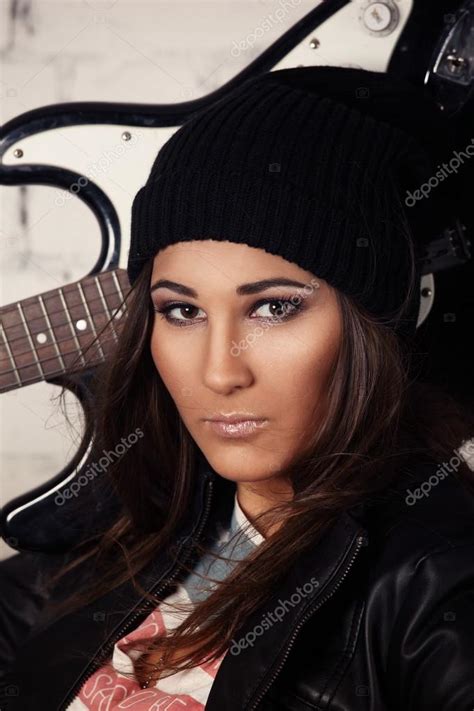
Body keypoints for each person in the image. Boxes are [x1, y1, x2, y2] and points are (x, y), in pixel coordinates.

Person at [1, 65, 474, 711]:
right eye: (182, 311)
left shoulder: (438, 582)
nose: (220, 372)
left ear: (379, 323)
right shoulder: (127, 539)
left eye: (274, 307)